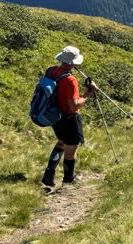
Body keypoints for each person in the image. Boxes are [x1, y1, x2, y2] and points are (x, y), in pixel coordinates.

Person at [40, 46, 98, 188]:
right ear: (73, 63)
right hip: (69, 118)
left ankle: (49, 175)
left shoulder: (51, 71)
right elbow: (74, 106)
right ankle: (68, 179)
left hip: (55, 115)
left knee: (61, 142)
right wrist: (88, 92)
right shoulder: (70, 80)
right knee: (71, 150)